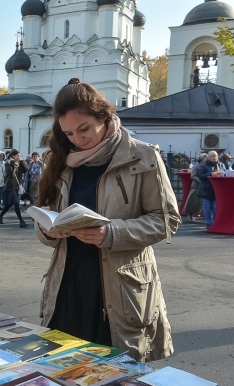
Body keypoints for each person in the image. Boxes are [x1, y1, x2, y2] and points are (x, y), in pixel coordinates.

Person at [36, 78, 180, 362]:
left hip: (120, 287)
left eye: (84, 129)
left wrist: (112, 233)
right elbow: (48, 215)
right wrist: (48, 230)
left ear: (103, 116)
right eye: (69, 133)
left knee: (113, 369)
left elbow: (166, 219)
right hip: (68, 282)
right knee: (63, 366)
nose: (78, 139)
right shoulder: (62, 160)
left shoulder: (143, 156)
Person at [0, 149, 29, 228]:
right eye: (17, 155)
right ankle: (21, 221)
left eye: (19, 155)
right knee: (16, 203)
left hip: (16, 186)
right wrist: (14, 166)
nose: (18, 157)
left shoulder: (20, 162)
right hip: (10, 186)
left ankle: (0, 216)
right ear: (13, 156)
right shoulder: (8, 163)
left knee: (9, 204)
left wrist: (22, 161)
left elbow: (26, 169)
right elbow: (10, 175)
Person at [198, 150, 221, 229]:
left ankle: (215, 222)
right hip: (206, 189)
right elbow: (200, 175)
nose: (214, 157)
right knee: (207, 207)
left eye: (216, 156)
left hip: (216, 190)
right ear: (208, 157)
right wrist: (211, 174)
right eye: (212, 156)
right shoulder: (204, 166)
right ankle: (208, 223)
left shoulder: (220, 165)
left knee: (215, 207)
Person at [184, 153, 207, 221]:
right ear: (201, 159)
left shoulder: (206, 166)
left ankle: (203, 215)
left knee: (202, 202)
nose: (206, 159)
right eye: (205, 158)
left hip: (204, 186)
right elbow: (193, 176)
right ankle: (190, 214)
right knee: (193, 201)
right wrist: (200, 181)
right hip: (196, 186)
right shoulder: (196, 166)